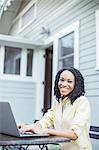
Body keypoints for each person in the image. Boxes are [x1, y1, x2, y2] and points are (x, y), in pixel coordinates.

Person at [18, 67, 92, 150]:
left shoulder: (82, 102)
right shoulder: (59, 101)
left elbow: (74, 134)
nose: (64, 84)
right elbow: (46, 120)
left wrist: (45, 130)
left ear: (76, 84)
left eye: (69, 81)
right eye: (62, 80)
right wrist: (28, 127)